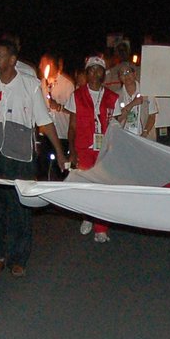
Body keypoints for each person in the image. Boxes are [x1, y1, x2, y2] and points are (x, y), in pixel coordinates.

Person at [0, 34, 70, 277]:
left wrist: (60, 153)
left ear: (13, 60)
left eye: (0, 56)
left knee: (19, 208)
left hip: (20, 157)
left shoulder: (30, 84)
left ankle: (18, 257)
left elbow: (45, 122)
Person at [64, 55, 120, 243]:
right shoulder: (77, 95)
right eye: (91, 70)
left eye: (98, 70)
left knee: (103, 187)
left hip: (105, 149)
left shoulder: (113, 97)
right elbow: (71, 126)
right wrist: (71, 149)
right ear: (86, 73)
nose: (95, 73)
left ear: (103, 74)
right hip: (83, 148)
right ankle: (87, 216)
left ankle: (101, 227)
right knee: (87, 186)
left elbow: (117, 127)